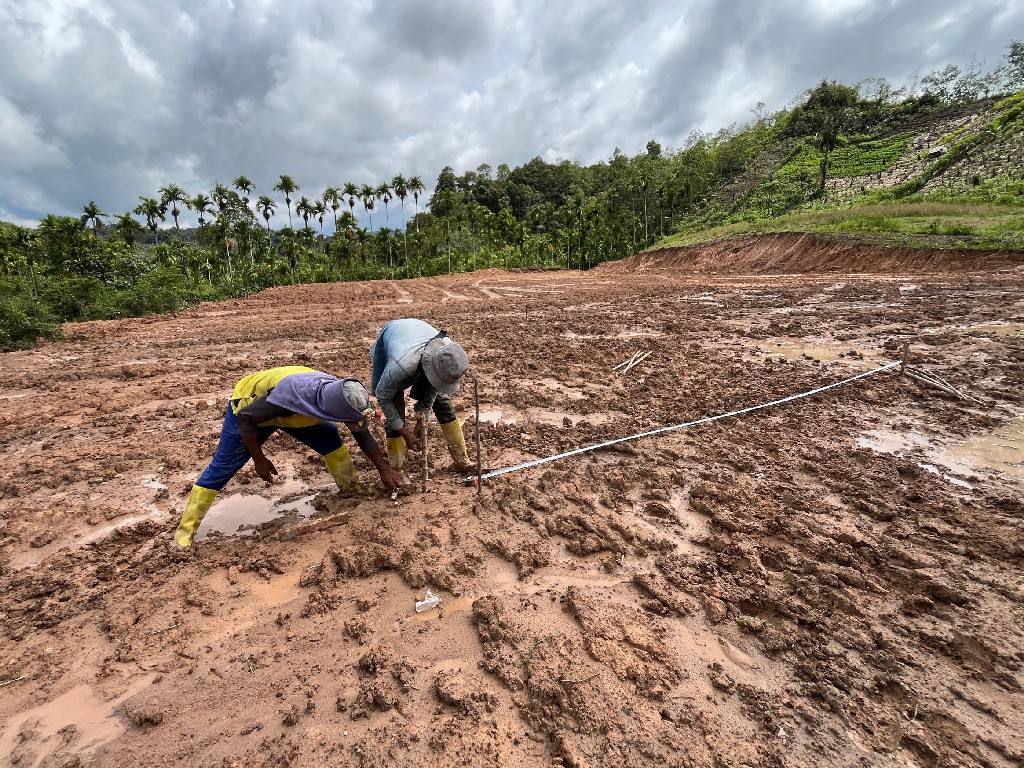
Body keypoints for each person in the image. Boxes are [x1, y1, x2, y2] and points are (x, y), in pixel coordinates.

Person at [174, 366, 403, 547]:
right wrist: (258, 459)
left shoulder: (340, 395)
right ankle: (184, 534)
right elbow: (246, 418)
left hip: (293, 410)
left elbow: (361, 432)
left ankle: (351, 487)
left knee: (329, 436)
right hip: (250, 409)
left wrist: (384, 469)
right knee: (223, 466)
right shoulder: (294, 398)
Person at [369, 318, 471, 472]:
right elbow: (383, 397)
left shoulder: (448, 354)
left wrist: (422, 417)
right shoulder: (401, 365)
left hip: (418, 339)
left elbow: (434, 387)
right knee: (395, 409)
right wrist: (404, 432)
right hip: (396, 342)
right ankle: (397, 469)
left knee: (443, 402)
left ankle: (462, 459)